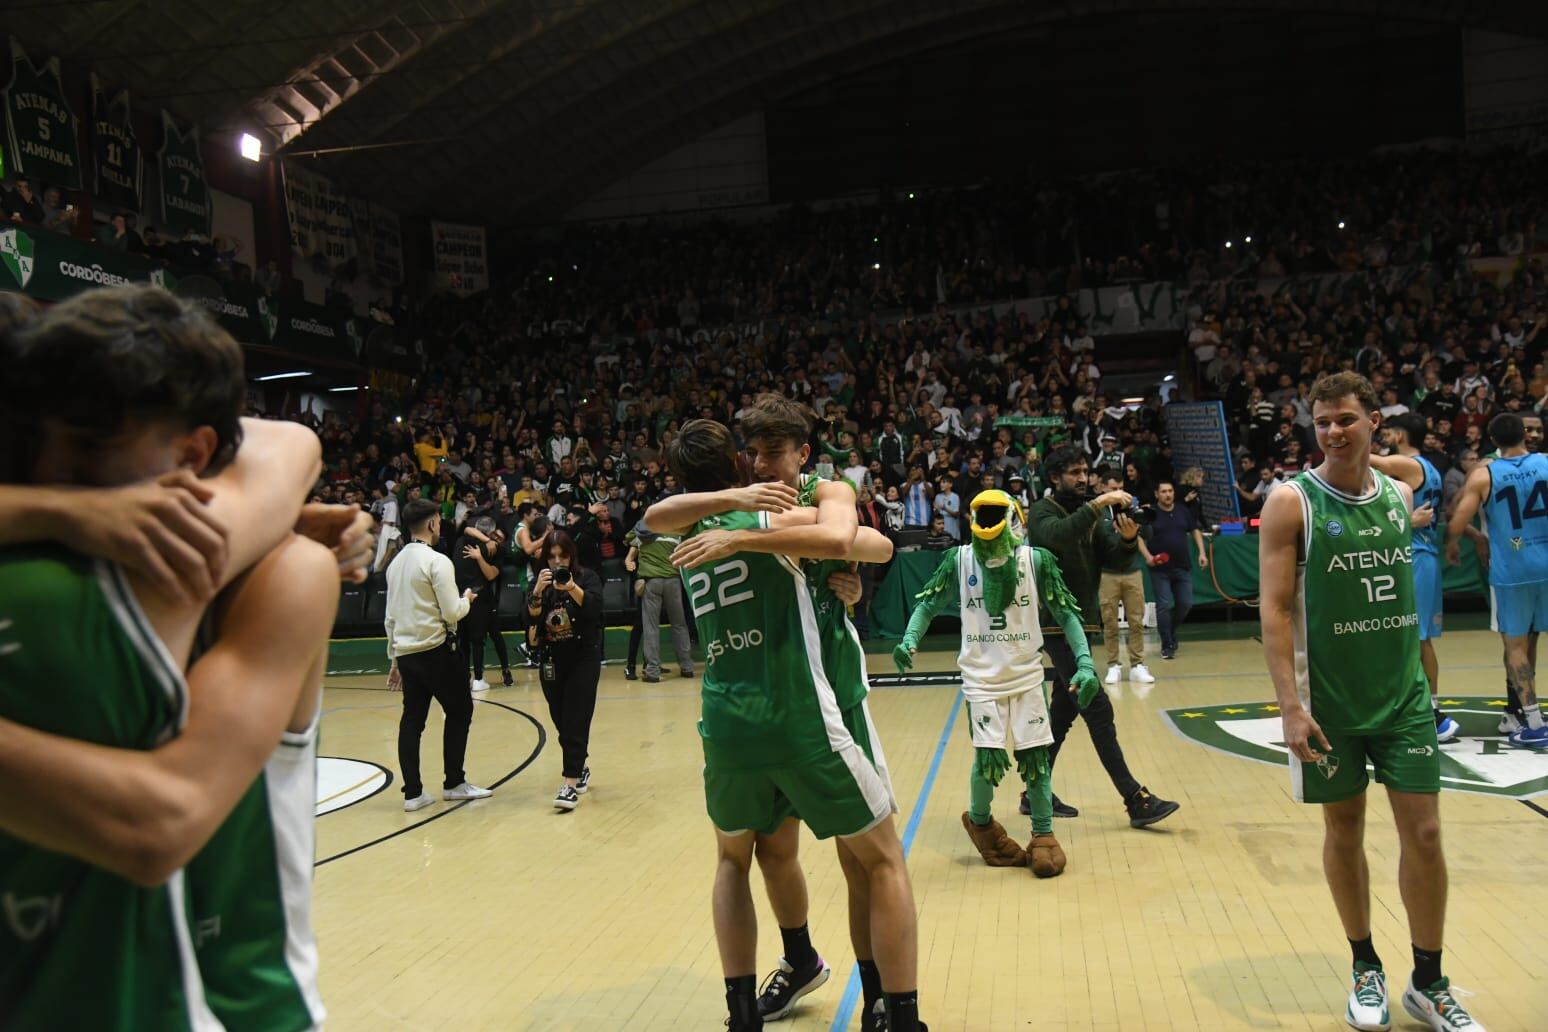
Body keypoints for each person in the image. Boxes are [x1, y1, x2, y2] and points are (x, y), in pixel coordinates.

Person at [0, 285, 366, 1029]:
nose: (57, 474)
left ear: (195, 451)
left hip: (239, 1006)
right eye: (40, 446)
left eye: (90, 449)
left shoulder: (279, 568)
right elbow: (284, 445)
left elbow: (162, 822)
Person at [647, 419, 924, 1032]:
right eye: (755, 453)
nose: (764, 462)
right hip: (795, 710)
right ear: (741, 466)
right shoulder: (745, 515)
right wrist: (743, 518)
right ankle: (830, 977)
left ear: (802, 454)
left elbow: (868, 543)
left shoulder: (794, 504)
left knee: (800, 860)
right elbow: (660, 515)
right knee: (804, 854)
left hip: (788, 703)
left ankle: (861, 997)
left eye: (776, 451)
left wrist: (835, 568)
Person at [1260, 371, 1484, 1032]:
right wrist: (1288, 706)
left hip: (1404, 696)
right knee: (1345, 831)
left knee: (1426, 833)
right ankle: (1365, 965)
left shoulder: (1400, 489)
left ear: (1374, 421)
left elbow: (1414, 464)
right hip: (1327, 701)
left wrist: (1368, 456)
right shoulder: (1291, 502)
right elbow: (1273, 612)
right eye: (1321, 421)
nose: (1331, 431)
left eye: (1345, 420)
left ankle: (1429, 981)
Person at [895, 489, 1096, 878]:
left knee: (1036, 760)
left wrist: (1085, 663)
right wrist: (909, 639)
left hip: (1026, 675)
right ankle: (982, 825)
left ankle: (1043, 834)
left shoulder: (1035, 562)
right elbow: (928, 604)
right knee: (988, 760)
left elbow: (1067, 613)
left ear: (1016, 520)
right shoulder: (959, 560)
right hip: (981, 680)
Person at [1020, 445, 1179, 826]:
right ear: (1055, 477)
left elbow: (1114, 559)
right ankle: (1134, 798)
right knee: (1097, 706)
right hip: (1055, 624)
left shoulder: (1091, 515)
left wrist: (1126, 539)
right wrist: (1097, 505)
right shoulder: (1043, 512)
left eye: (1083, 472)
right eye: (1073, 472)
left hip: (1082, 623)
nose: (1081, 478)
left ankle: (1032, 792)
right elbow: (1056, 536)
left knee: (1062, 713)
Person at [1446, 412, 1548, 750]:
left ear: (1492, 441)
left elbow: (1458, 520)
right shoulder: (1546, 462)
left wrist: (1452, 547)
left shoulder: (1484, 475)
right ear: (1526, 435)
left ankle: (1531, 721)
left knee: (1515, 645)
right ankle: (1525, 714)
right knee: (1532, 641)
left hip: (1513, 572)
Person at [385, 499, 492, 811]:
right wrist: (468, 598)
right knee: (460, 711)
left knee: (412, 720)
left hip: (406, 654)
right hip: (437, 652)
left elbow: (390, 618)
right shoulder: (437, 561)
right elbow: (452, 612)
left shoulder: (395, 565)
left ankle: (413, 794)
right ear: (433, 524)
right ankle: (454, 783)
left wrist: (394, 660)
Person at [1369, 413, 1458, 742]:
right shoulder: (1430, 467)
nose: (1386, 437)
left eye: (1389, 431)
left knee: (1417, 637)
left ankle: (1433, 716)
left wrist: (1361, 427)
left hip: (1417, 557)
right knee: (1416, 638)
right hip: (1422, 556)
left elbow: (1367, 459)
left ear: (1402, 434)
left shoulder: (1409, 464)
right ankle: (1426, 708)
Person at [528, 528, 604, 809]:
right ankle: (580, 766)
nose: (558, 562)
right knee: (561, 719)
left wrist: (571, 587)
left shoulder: (587, 578)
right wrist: (538, 591)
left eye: (563, 556)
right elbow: (528, 617)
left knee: (576, 718)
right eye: (552, 557)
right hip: (551, 660)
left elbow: (594, 609)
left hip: (583, 657)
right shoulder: (540, 583)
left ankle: (569, 783)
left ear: (571, 555)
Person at [1095, 474, 1152, 685]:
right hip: (1107, 573)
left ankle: (1137, 664)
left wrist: (1141, 519)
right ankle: (1113, 665)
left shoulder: (1132, 507)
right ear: (1102, 488)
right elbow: (1105, 536)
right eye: (1113, 488)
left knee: (1136, 620)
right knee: (1109, 621)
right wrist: (1124, 531)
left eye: (1120, 487)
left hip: (1132, 571)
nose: (1118, 492)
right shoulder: (1099, 511)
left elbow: (1148, 532)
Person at [1146, 479, 1209, 660]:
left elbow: (1195, 530)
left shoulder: (1183, 510)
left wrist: (1202, 553)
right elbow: (1140, 535)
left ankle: (1169, 631)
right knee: (1164, 605)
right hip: (1160, 569)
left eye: (1170, 491)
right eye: (1164, 491)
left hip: (1182, 566)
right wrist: (1148, 557)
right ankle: (1167, 644)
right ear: (1157, 494)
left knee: (1185, 603)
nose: (1168, 494)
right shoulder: (1151, 513)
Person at [628, 517, 694, 684]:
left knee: (651, 627)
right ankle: (687, 667)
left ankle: (652, 671)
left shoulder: (641, 532)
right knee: (679, 624)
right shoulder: (674, 532)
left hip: (651, 582)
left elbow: (628, 538)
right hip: (673, 581)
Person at [457, 516, 510, 691]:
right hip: (466, 596)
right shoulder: (470, 539)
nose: (497, 540)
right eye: (496, 536)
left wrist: (479, 557)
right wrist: (487, 540)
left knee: (492, 635)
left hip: (485, 599)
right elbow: (466, 529)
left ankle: (505, 670)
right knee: (465, 639)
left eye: (501, 538)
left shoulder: (497, 551)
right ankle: (469, 677)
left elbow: (491, 575)